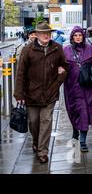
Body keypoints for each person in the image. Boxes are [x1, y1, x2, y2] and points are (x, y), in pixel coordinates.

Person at [14, 21, 68, 164]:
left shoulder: (57, 48)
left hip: (50, 93)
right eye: (43, 33)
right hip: (31, 93)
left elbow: (64, 66)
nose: (46, 35)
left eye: (48, 33)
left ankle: (42, 151)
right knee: (34, 122)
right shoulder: (28, 50)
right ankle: (37, 142)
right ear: (37, 35)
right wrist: (19, 94)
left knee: (46, 121)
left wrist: (59, 79)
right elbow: (20, 73)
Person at [64, 26, 92, 152]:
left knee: (84, 112)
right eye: (75, 35)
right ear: (72, 37)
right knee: (75, 112)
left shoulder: (91, 50)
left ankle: (82, 141)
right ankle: (75, 130)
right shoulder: (66, 51)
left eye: (80, 35)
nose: (78, 37)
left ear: (83, 36)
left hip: (88, 89)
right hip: (72, 88)